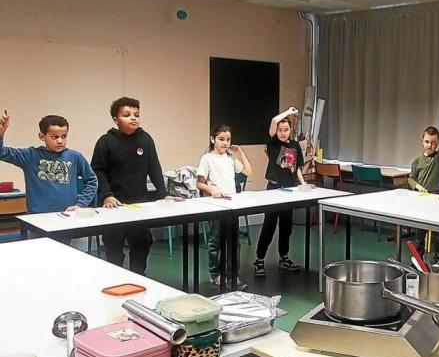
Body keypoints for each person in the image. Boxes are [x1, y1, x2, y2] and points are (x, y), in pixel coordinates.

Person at [91, 97, 180, 275]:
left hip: (139, 203)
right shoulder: (105, 141)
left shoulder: (145, 139)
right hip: (113, 205)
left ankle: (139, 276)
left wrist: (163, 193)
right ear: (116, 119)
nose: (133, 118)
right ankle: (115, 278)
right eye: (127, 115)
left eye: (136, 115)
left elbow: (154, 168)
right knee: (113, 246)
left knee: (142, 242)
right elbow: (97, 171)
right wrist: (107, 194)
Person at [0, 110, 97, 230]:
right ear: (42, 136)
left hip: (66, 217)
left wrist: (80, 204)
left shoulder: (75, 157)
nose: (60, 141)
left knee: (64, 248)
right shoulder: (30, 156)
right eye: (55, 137)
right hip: (37, 218)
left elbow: (92, 181)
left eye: (64, 136)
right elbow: (2, 152)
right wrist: (1, 133)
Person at [196, 124, 252, 290]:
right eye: (221, 139)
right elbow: (199, 183)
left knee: (234, 241)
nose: (225, 143)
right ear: (213, 139)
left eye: (228, 139)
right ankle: (215, 273)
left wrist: (240, 152)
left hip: (231, 204)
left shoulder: (230, 158)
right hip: (216, 205)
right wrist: (211, 188)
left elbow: (249, 172)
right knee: (216, 240)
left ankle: (233, 274)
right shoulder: (207, 158)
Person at [254, 107, 307, 277]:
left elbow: (297, 167)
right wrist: (287, 113)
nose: (283, 133)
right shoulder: (273, 144)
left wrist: (303, 183)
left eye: (286, 130)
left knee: (286, 226)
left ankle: (284, 257)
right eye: (280, 130)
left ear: (291, 130)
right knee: (269, 225)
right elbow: (274, 121)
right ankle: (259, 259)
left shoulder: (294, 145)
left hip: (289, 189)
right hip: (274, 188)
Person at [408, 110, 439, 193]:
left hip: (436, 195)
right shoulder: (416, 161)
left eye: (433, 142)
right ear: (422, 142)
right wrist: (417, 186)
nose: (430, 145)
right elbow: (411, 178)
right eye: (427, 142)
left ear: (437, 143)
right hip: (420, 195)